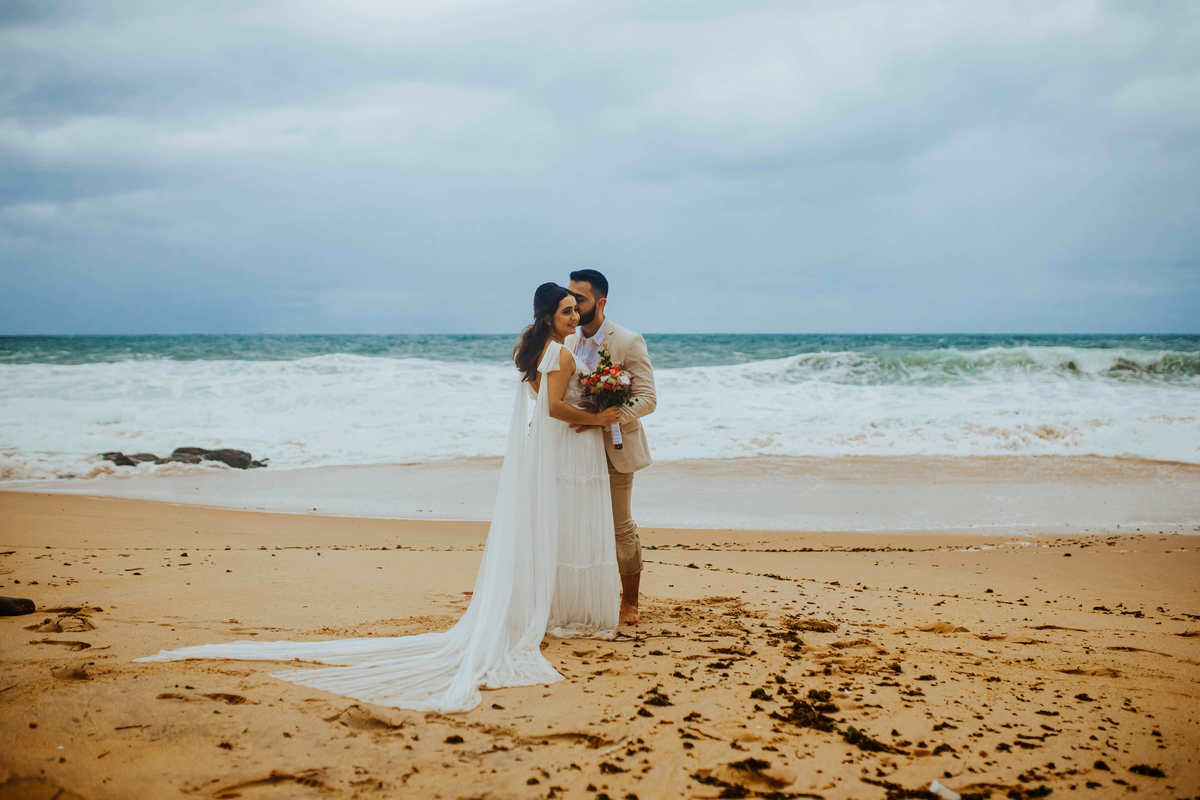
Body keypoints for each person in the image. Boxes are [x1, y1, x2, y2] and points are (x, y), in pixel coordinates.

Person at [136, 283, 623, 713]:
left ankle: (547, 607)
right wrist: (598, 416)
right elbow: (554, 406)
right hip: (560, 443)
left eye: (574, 309)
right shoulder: (559, 354)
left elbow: (546, 402)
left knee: (542, 524)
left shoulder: (542, 351)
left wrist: (592, 401)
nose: (573, 315)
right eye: (565, 311)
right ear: (547, 317)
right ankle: (555, 611)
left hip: (547, 448)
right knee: (551, 523)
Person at [565, 269, 656, 625]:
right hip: (573, 447)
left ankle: (630, 601)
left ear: (600, 302)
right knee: (578, 526)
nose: (573, 304)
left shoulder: (629, 342)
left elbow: (647, 398)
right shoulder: (566, 341)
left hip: (615, 447)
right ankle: (585, 596)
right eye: (570, 297)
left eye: (580, 298)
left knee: (620, 527)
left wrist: (606, 417)